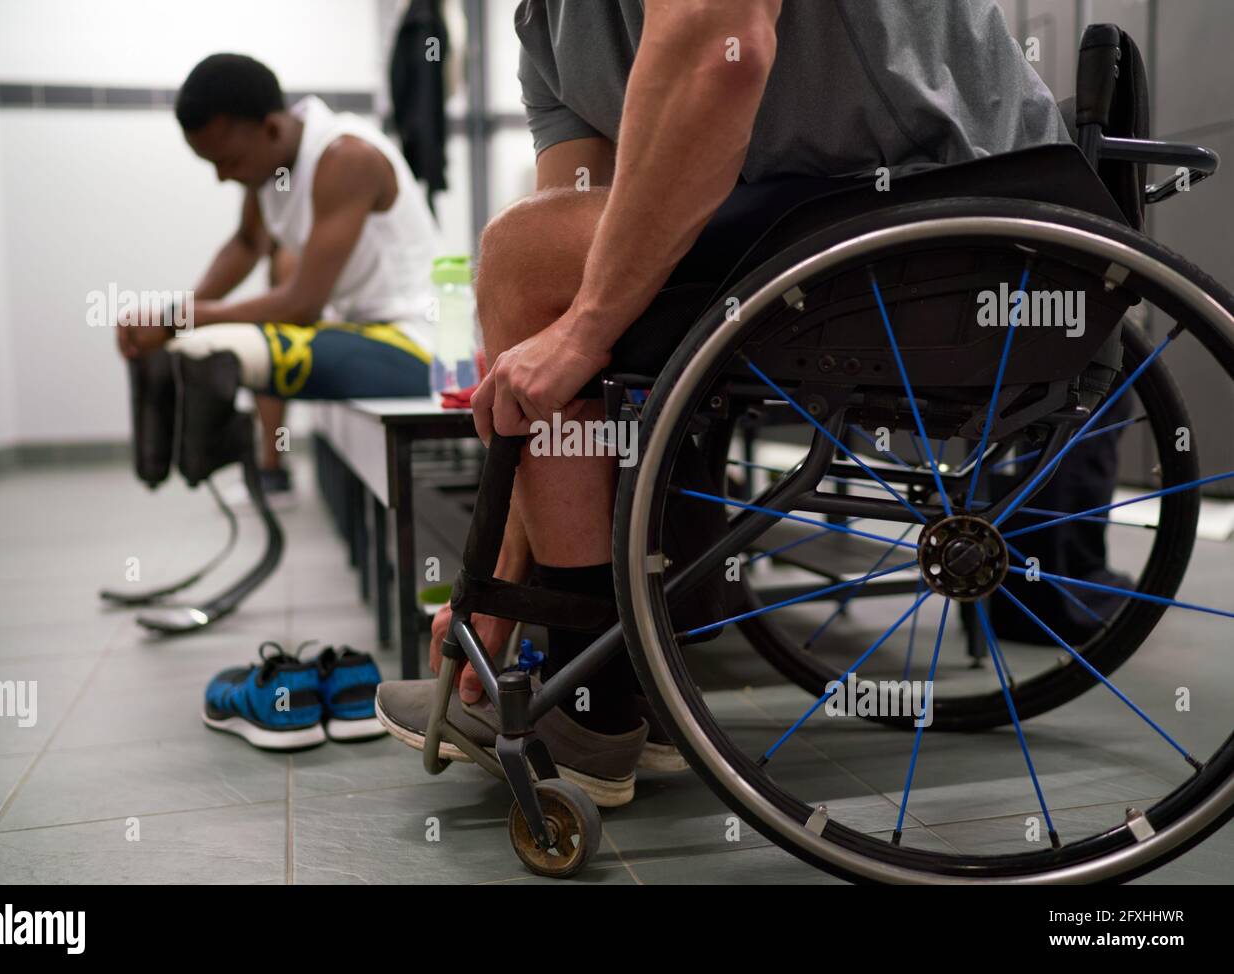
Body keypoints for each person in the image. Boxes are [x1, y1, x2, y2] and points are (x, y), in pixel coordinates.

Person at [376, 0, 1071, 807]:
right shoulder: (547, 27)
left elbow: (721, 53)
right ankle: (614, 677)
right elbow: (556, 254)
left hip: (956, 185)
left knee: (522, 259)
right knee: (532, 255)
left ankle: (594, 701)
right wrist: (502, 581)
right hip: (822, 204)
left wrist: (584, 329)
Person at [115, 53, 440, 494]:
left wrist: (176, 319)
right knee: (212, 336)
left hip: (418, 347)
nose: (222, 177)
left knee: (243, 344)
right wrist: (179, 321)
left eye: (228, 161)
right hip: (358, 334)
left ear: (270, 129)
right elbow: (247, 244)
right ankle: (207, 460)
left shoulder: (346, 158)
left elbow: (300, 305)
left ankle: (263, 466)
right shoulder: (270, 166)